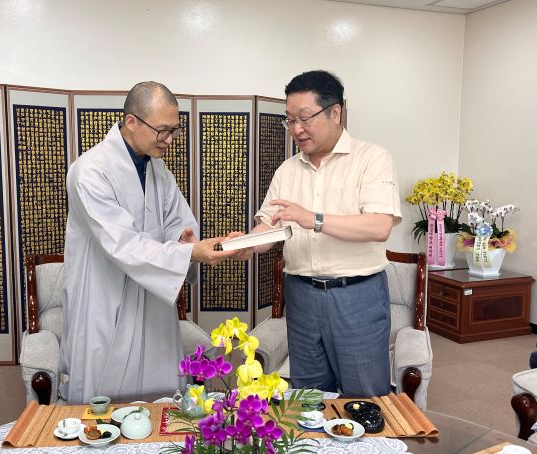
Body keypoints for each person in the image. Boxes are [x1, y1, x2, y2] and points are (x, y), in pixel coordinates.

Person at [60, 81, 235, 404]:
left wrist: (183, 241)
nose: (170, 140)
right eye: (163, 130)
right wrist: (186, 252)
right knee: (102, 408)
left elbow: (176, 222)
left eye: (175, 130)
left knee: (160, 406)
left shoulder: (157, 170)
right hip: (105, 297)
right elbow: (122, 243)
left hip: (153, 298)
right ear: (131, 122)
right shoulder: (89, 172)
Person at [238, 70, 401, 397]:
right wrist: (244, 245)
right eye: (289, 120)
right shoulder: (287, 169)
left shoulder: (371, 158)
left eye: (304, 118)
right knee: (309, 398)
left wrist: (313, 219)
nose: (296, 129)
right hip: (302, 296)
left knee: (365, 397)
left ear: (335, 112)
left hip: (357, 295)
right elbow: (270, 226)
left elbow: (379, 226)